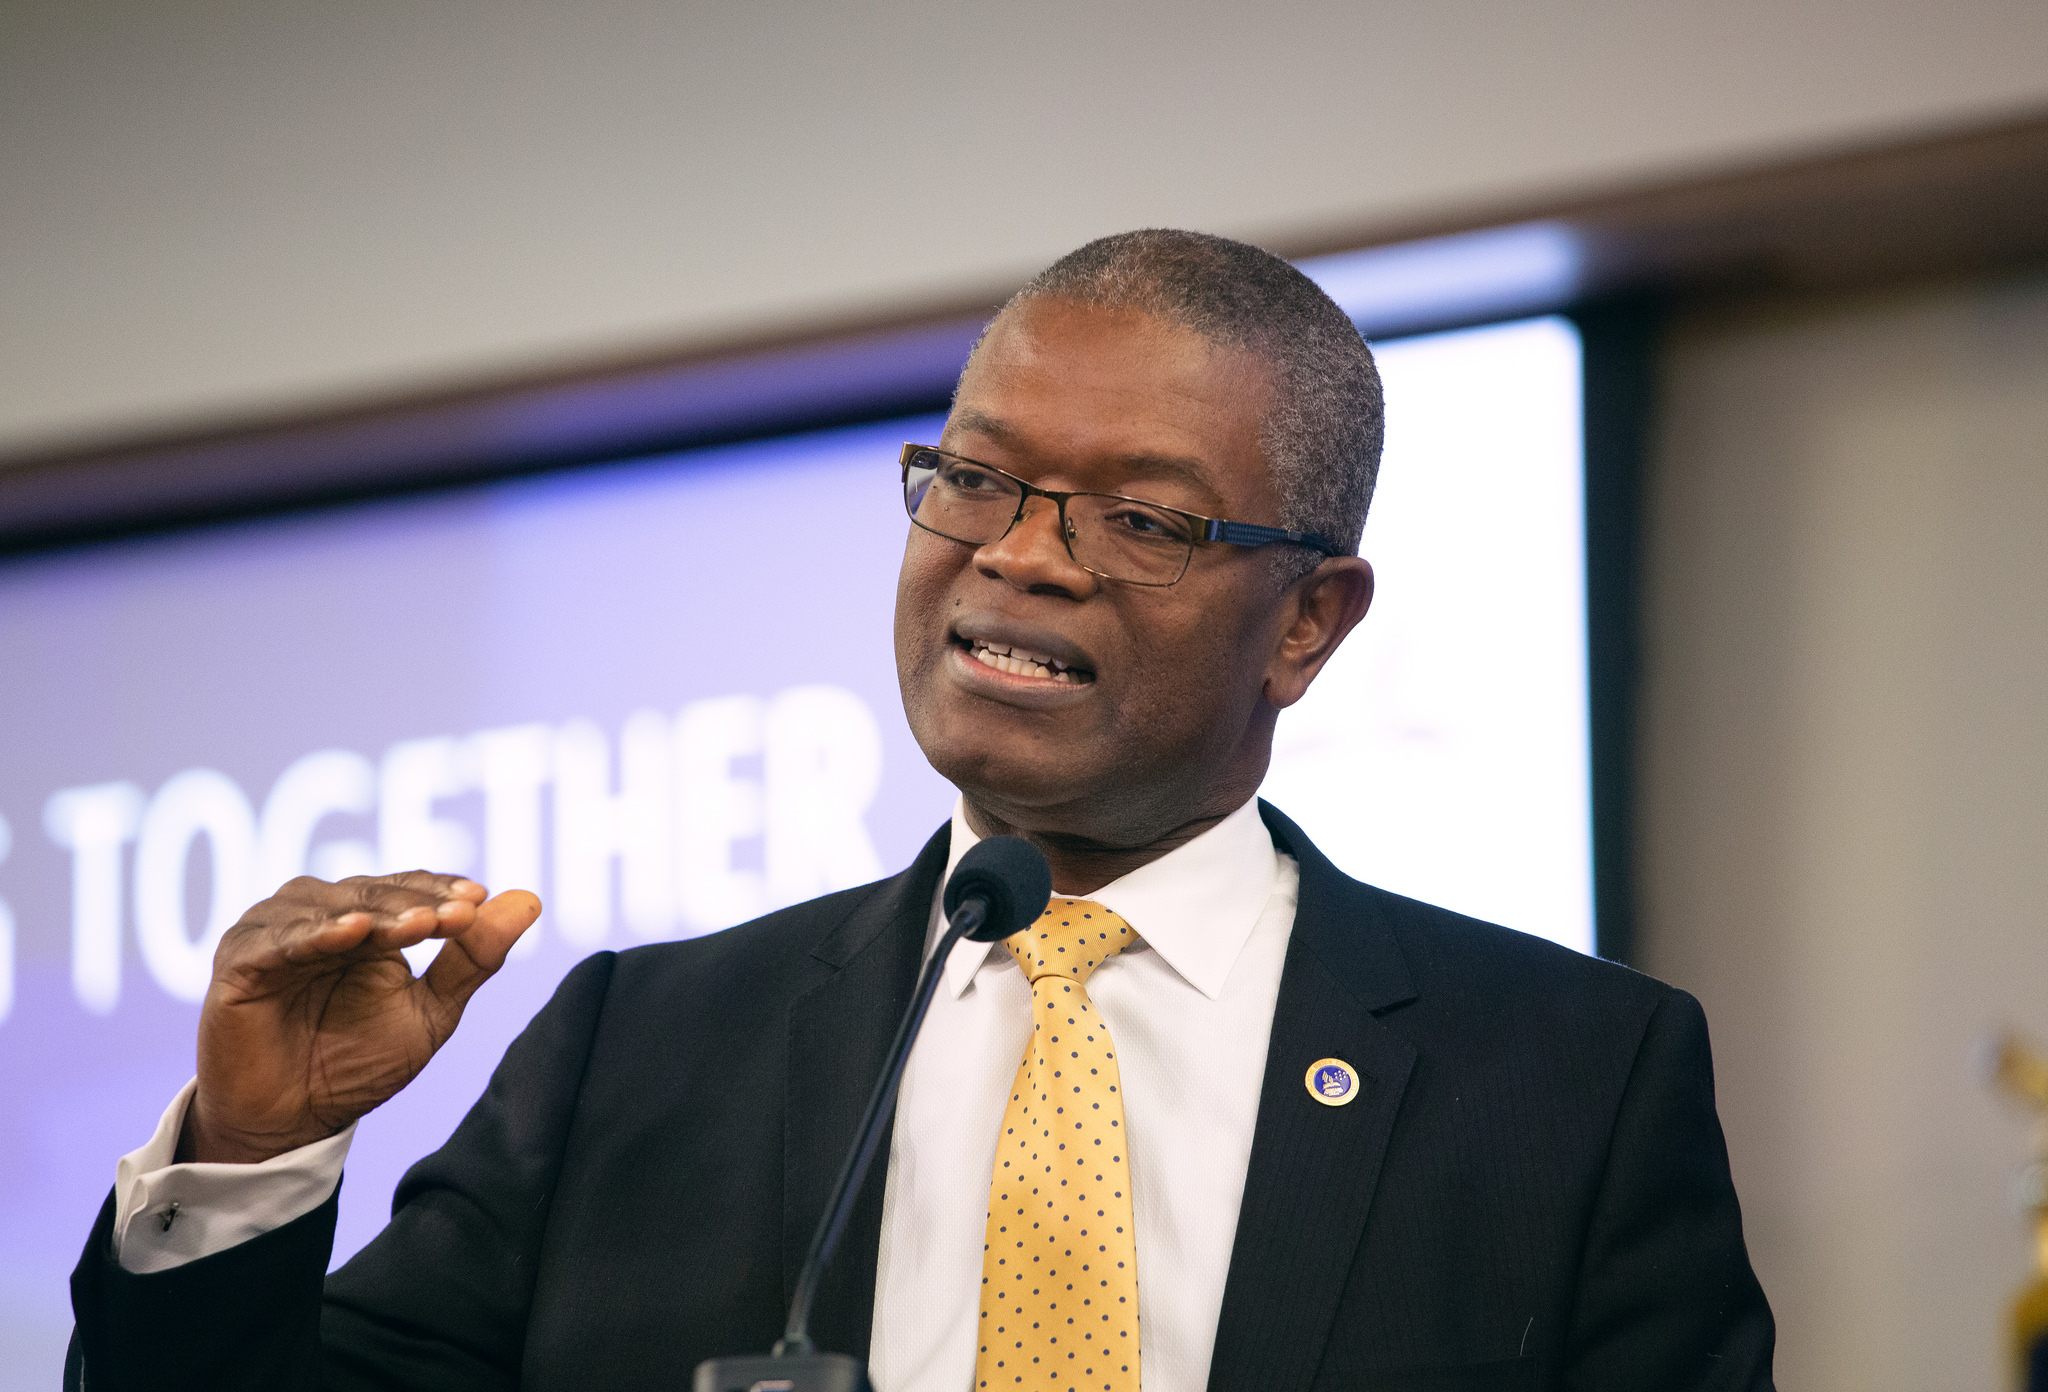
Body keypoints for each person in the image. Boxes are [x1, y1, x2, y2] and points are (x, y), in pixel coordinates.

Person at [68, 230, 1775, 1391]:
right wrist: (252, 1159)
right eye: (973, 475)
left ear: (1311, 621)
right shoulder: (640, 1053)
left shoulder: (1566, 1078)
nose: (1020, 552)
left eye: (1147, 520)